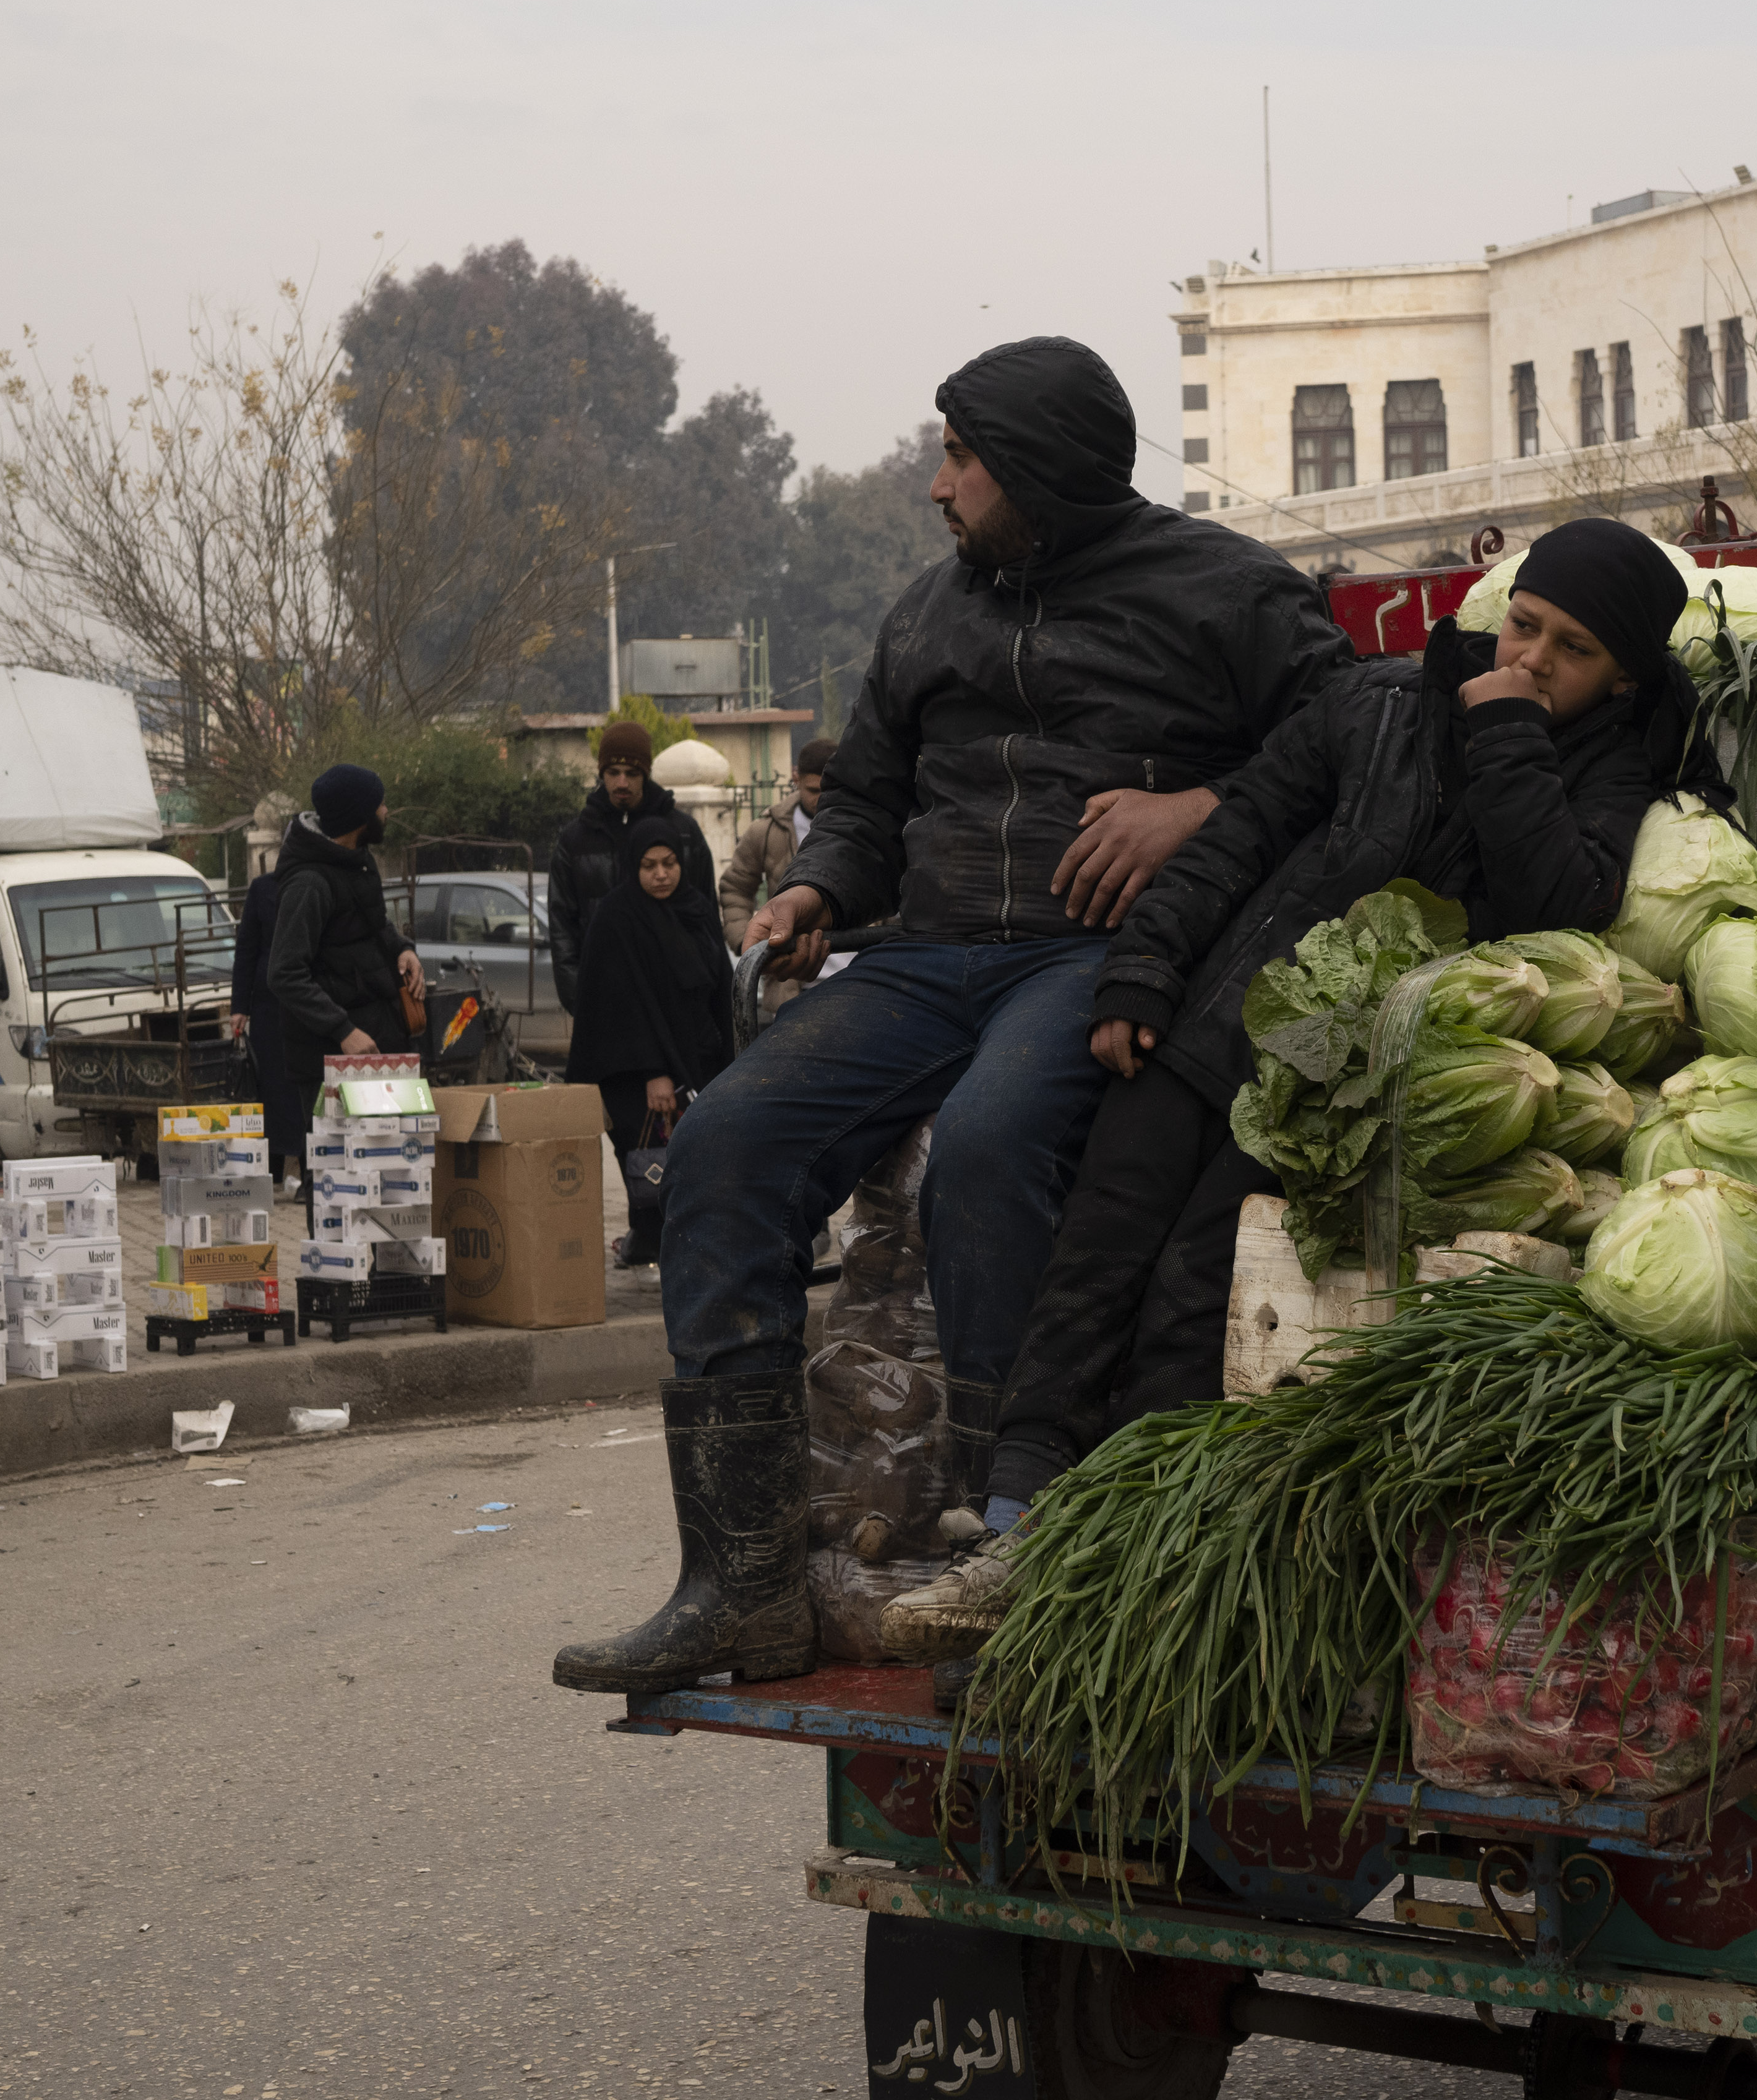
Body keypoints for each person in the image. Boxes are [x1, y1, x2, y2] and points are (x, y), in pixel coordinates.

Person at [551, 333, 1349, 1697]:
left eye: (964, 457)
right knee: (728, 1143)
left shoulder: (1226, 590)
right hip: (926, 954)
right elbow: (866, 798)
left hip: (1091, 951)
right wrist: (812, 884)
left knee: (988, 1148)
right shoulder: (927, 612)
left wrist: (1200, 810)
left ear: (1039, 466)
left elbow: (1352, 728)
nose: (938, 484)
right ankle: (740, 1586)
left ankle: (1029, 1576)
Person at [885, 519, 1698, 1658]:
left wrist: (1509, 731)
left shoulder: (1612, 778)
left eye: (1572, 651)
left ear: (1622, 679)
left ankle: (1096, 1576)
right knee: (1095, 1256)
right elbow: (1237, 839)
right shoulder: (1374, 706)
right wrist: (1144, 969)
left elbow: (1555, 904)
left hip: (1343, 1099)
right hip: (1212, 1029)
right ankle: (1014, 1521)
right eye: (1526, 627)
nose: (1534, 658)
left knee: (1191, 1302)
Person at [244, 762, 425, 1189]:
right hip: (330, 1063)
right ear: (358, 818)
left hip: (379, 1050)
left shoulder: (359, 863)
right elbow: (284, 973)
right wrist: (343, 1031)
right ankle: (343, 1261)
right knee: (335, 1187)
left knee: (390, 1178)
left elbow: (374, 927)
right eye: (379, 804)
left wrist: (403, 949)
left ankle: (384, 1261)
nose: (386, 811)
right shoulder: (309, 883)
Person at [566, 816, 736, 1267]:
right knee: (649, 1158)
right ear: (632, 867)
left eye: (669, 863)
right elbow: (618, 1002)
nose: (661, 874)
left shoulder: (696, 908)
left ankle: (689, 1244)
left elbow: (718, 984)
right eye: (648, 866)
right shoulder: (617, 916)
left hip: (698, 1055)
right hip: (641, 1069)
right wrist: (654, 1070)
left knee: (698, 1157)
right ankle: (652, 1241)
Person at [549, 723, 716, 1016]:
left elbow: (707, 914)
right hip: (603, 998)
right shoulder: (575, 840)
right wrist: (579, 998)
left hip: (675, 999)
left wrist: (702, 990)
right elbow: (562, 925)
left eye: (632, 773)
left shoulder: (683, 832)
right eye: (613, 772)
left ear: (646, 774)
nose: (622, 783)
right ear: (601, 773)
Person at [719, 739, 830, 1017]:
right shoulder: (767, 831)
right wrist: (751, 945)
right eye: (814, 790)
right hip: (789, 991)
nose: (822, 798)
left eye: (831, 789)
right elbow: (735, 888)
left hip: (860, 979)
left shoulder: (866, 830)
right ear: (796, 778)